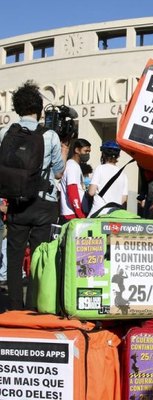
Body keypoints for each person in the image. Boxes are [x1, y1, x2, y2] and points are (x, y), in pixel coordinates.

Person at [0, 81, 65, 310]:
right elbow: (58, 172)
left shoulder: (4, 134)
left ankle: (15, 307)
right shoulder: (50, 136)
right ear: (38, 109)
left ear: (17, 108)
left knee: (15, 256)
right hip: (43, 203)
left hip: (17, 202)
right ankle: (35, 306)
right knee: (39, 257)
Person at [87, 140, 128, 217]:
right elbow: (124, 199)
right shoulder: (123, 174)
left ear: (103, 154)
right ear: (118, 155)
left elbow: (91, 192)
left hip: (98, 212)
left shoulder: (100, 169)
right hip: (115, 214)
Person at [59, 138, 91, 221]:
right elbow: (72, 191)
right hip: (72, 215)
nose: (87, 154)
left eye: (89, 152)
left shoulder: (76, 166)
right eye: (86, 151)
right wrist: (80, 215)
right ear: (77, 150)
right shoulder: (72, 166)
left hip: (75, 214)